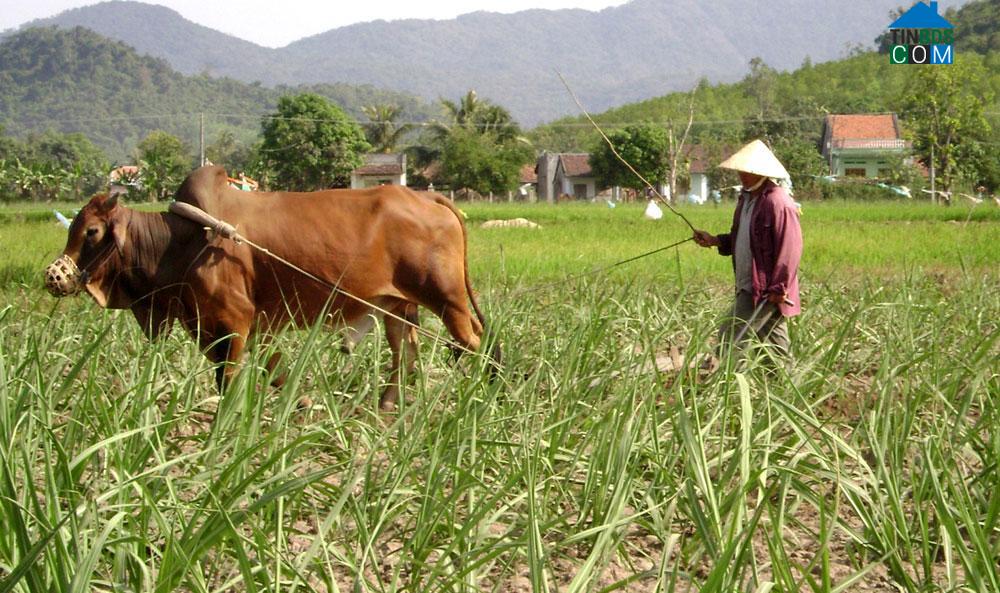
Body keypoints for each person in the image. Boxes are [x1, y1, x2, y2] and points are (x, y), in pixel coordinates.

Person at [692, 140, 803, 361]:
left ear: (761, 172)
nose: (742, 174)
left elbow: (790, 248)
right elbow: (742, 238)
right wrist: (714, 240)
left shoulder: (778, 202)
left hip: (763, 288)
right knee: (773, 346)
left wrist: (778, 286)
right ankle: (786, 388)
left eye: (747, 170)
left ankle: (728, 386)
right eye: (741, 169)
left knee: (731, 335)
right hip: (749, 283)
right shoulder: (746, 200)